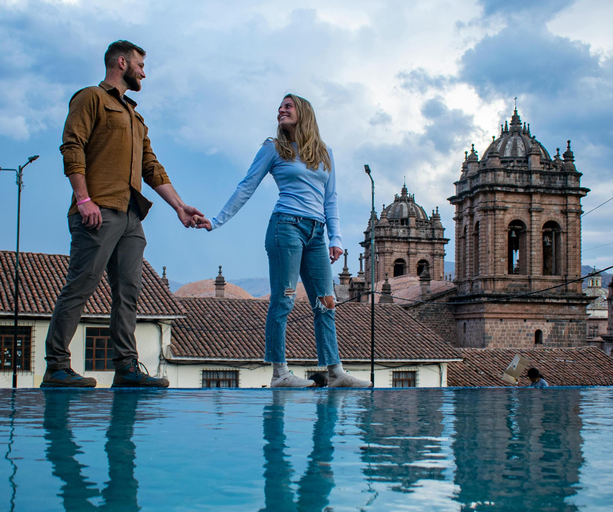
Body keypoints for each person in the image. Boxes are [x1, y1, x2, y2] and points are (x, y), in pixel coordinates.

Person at [42, 40, 204, 388]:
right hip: (98, 210)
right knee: (81, 286)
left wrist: (179, 206)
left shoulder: (135, 116)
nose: (144, 72)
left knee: (129, 291)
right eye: (140, 65)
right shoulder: (91, 98)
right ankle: (56, 367)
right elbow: (72, 146)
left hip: (131, 216)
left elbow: (151, 166)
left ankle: (126, 369)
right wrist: (83, 200)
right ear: (121, 62)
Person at [197, 94, 372, 388]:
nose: (281, 110)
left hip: (316, 234)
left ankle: (335, 371)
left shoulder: (325, 153)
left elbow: (331, 198)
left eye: (287, 106)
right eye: (279, 107)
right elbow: (247, 185)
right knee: (284, 300)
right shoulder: (273, 148)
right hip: (286, 228)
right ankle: (280, 373)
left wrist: (336, 238)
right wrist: (216, 221)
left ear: (303, 112)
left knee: (326, 303)